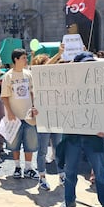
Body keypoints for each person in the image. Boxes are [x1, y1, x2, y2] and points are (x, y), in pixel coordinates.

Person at [58, 51, 104, 207]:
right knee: (70, 172)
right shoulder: (65, 85)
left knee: (100, 172)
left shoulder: (100, 84)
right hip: (73, 135)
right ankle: (69, 201)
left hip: (94, 136)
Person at [31, 45, 66, 190]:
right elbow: (45, 69)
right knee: (43, 150)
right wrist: (58, 54)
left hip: (55, 116)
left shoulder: (54, 79)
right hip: (43, 117)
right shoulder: (36, 77)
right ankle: (42, 178)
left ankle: (62, 176)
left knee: (58, 148)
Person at [0, 49, 39, 180]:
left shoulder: (29, 74)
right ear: (16, 59)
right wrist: (9, 112)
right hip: (14, 116)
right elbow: (4, 96)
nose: (25, 60)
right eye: (23, 57)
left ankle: (28, 167)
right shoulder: (8, 76)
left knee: (31, 143)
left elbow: (33, 92)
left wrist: (34, 106)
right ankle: (17, 167)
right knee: (14, 144)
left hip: (28, 116)